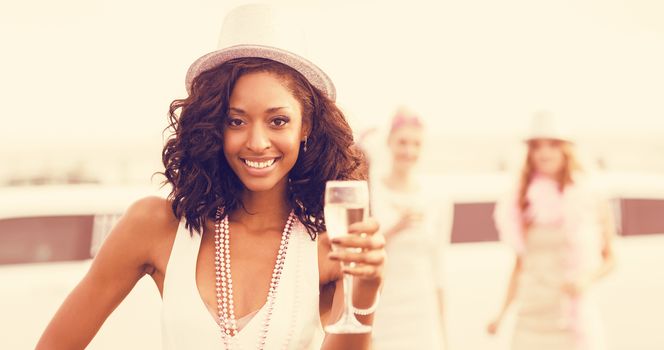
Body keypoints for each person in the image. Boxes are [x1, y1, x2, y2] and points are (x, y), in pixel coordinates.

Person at [37, 4, 385, 350]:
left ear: (305, 126)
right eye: (236, 120)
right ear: (214, 125)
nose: (257, 142)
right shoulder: (156, 227)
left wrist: (363, 293)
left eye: (278, 121)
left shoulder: (326, 249)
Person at [488, 112, 616, 350]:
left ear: (565, 149)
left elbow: (611, 259)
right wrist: (502, 314)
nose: (544, 153)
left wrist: (586, 279)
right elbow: (519, 265)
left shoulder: (592, 196)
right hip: (530, 317)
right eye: (537, 146)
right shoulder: (521, 199)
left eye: (552, 145)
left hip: (570, 318)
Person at [369, 108, 450, 349]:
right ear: (389, 143)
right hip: (382, 308)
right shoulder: (371, 190)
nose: (408, 151)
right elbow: (361, 253)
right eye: (402, 142)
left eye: (416, 144)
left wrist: (444, 334)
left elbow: (439, 267)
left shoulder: (436, 198)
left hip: (422, 311)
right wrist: (396, 229)